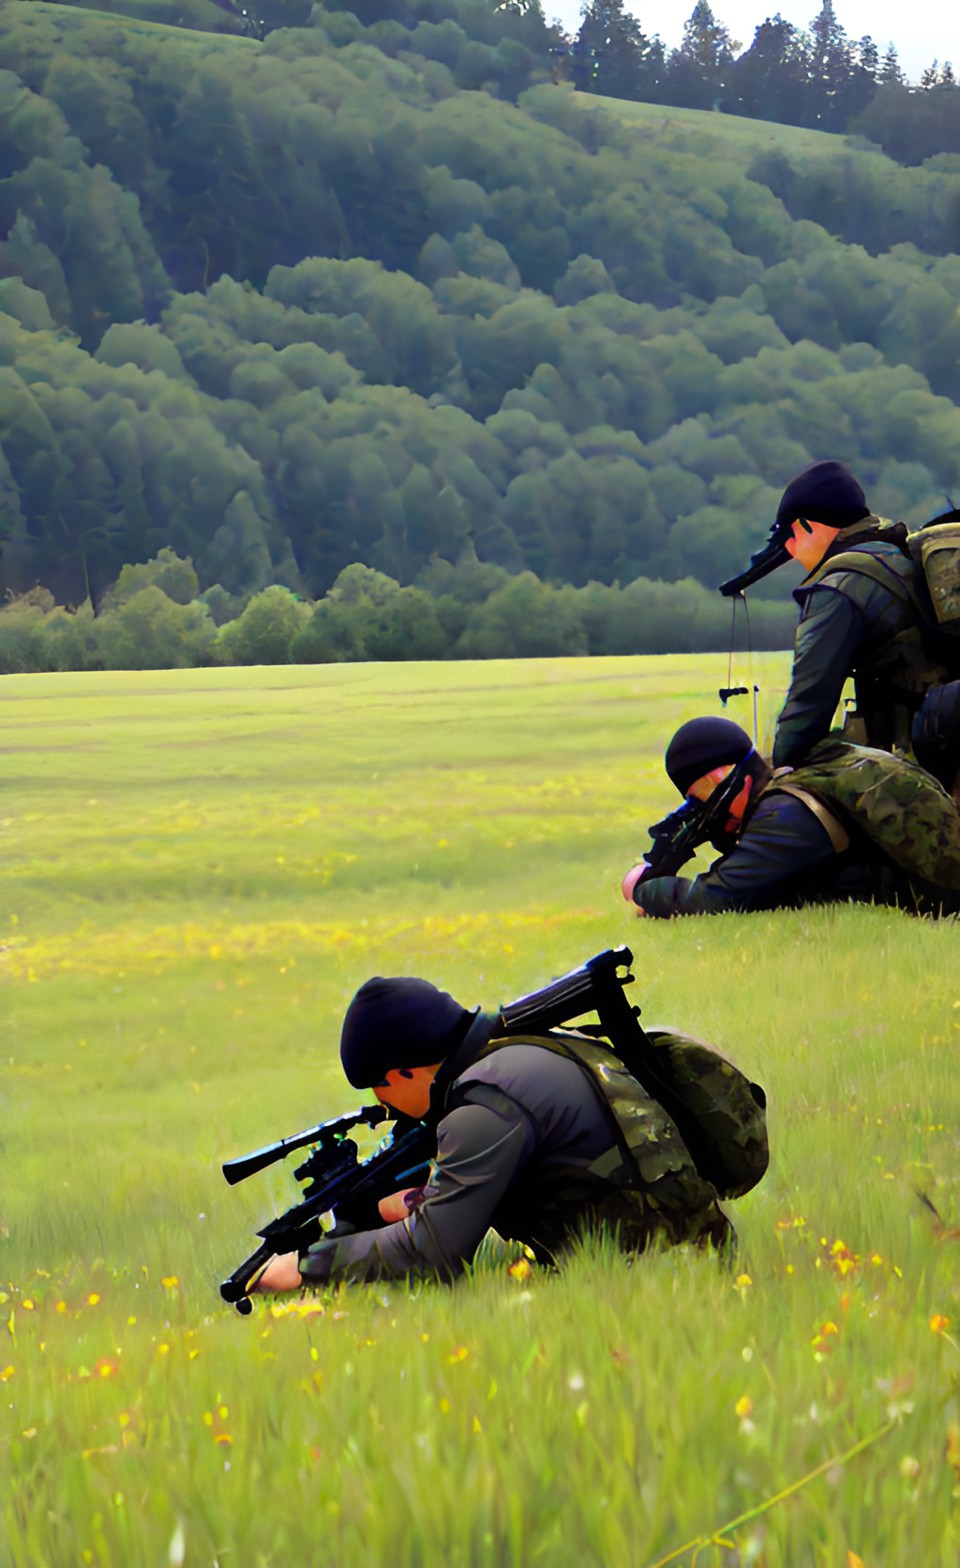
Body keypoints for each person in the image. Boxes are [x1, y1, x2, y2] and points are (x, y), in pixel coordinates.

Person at [252, 971, 741, 1291]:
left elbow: (432, 1253)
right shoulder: (514, 1050)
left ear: (402, 1072)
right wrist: (384, 1207)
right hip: (686, 1249)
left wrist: (306, 1268)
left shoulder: (483, 1106)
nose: (381, 1105)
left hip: (660, 1281)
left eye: (378, 1088)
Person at [719, 459, 960, 781]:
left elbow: (808, 704)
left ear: (806, 526)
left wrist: (778, 773)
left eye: (788, 539)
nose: (791, 551)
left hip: (925, 771)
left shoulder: (839, 587)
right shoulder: (896, 554)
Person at [622, 715, 960, 919]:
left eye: (701, 798)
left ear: (722, 778)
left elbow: (713, 899)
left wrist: (644, 890)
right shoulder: (803, 775)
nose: (706, 814)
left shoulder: (785, 812)